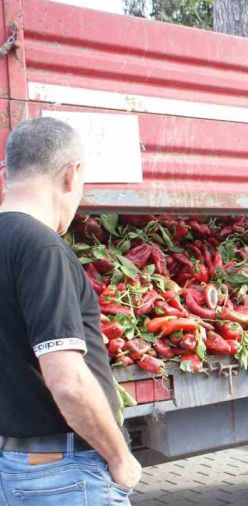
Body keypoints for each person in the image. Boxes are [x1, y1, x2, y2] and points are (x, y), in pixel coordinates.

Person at [0, 118, 141, 504]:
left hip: (12, 466)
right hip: (60, 473)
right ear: (71, 173)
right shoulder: (41, 248)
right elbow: (68, 381)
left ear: (7, 173)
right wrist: (120, 458)